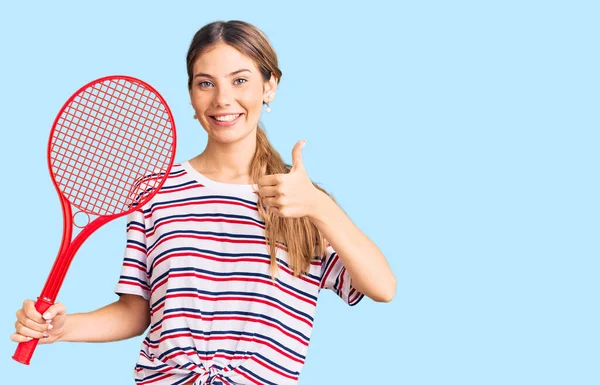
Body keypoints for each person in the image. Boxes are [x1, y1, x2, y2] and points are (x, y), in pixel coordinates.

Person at [11, 20, 396, 385]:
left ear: (270, 86)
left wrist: (319, 206)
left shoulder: (298, 198)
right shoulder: (156, 191)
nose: (222, 99)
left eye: (240, 80)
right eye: (205, 83)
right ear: (192, 93)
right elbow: (136, 312)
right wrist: (62, 328)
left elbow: (382, 287)